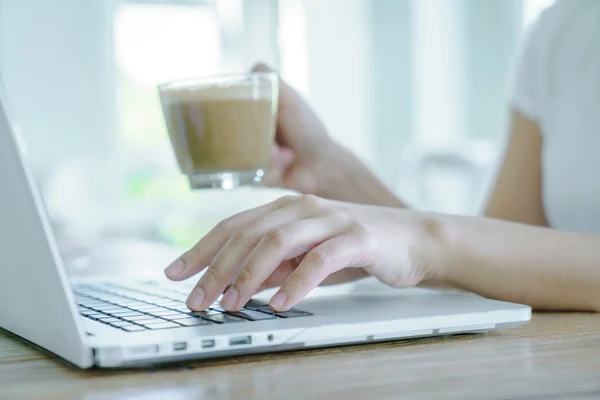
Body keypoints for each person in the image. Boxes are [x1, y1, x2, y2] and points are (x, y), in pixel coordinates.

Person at [164, 0, 600, 313]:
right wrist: (329, 171)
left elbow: (461, 250)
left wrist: (428, 238)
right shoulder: (562, 29)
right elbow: (500, 263)